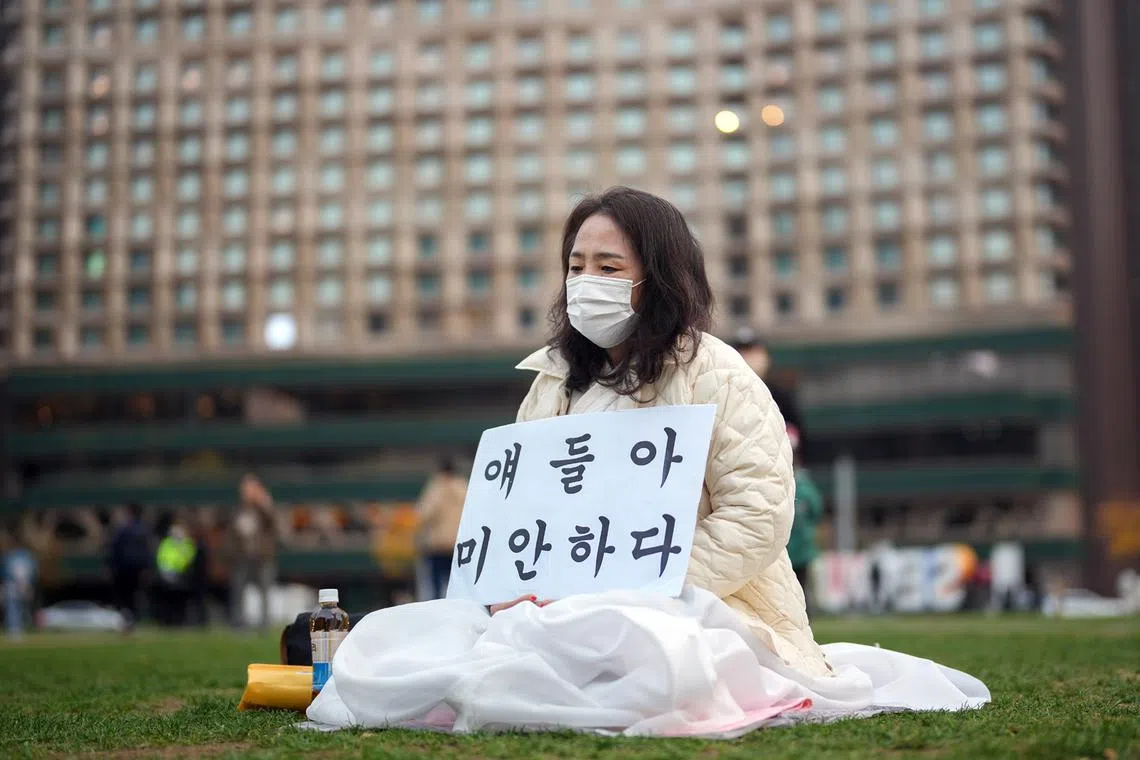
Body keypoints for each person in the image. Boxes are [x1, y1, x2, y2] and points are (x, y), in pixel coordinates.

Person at [510, 186, 830, 677]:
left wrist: (633, 591)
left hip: (701, 610)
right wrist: (513, 589)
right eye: (576, 267)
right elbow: (517, 514)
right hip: (560, 610)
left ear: (659, 278)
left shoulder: (718, 374)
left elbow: (757, 517)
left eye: (608, 268)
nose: (585, 281)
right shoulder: (552, 381)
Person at [414, 456, 469, 600]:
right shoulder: (465, 488)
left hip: (438, 546)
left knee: (435, 591)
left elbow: (424, 514)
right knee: (459, 588)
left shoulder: (437, 488)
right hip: (460, 546)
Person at [230, 474, 279, 631]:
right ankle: (239, 623)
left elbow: (273, 524)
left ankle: (265, 624)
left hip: (262, 557)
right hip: (242, 556)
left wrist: (264, 503)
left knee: (265, 591)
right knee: (238, 590)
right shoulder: (239, 509)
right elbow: (233, 532)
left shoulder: (264, 508)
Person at [784, 425, 823, 618]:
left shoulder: (804, 484)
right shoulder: (781, 480)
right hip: (785, 548)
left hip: (801, 549)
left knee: (801, 589)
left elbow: (816, 510)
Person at [106, 503, 151, 626]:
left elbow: (113, 550)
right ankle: (132, 620)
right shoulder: (144, 529)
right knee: (134, 597)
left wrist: (110, 566)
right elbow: (147, 551)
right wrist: (147, 568)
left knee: (123, 598)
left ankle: (125, 621)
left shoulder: (122, 529)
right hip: (136, 569)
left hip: (123, 569)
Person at [154, 515, 196, 625]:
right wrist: (165, 570)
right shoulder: (167, 543)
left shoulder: (187, 543)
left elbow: (189, 558)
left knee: (180, 602)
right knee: (167, 600)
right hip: (167, 577)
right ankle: (166, 620)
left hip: (182, 577)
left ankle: (179, 620)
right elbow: (161, 557)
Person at [2, 523, 38, 638]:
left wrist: (29, 585)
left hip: (23, 583)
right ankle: (14, 628)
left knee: (21, 606)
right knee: (12, 606)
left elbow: (32, 572)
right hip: (13, 584)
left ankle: (20, 626)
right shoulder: (10, 556)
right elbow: (5, 572)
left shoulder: (27, 556)